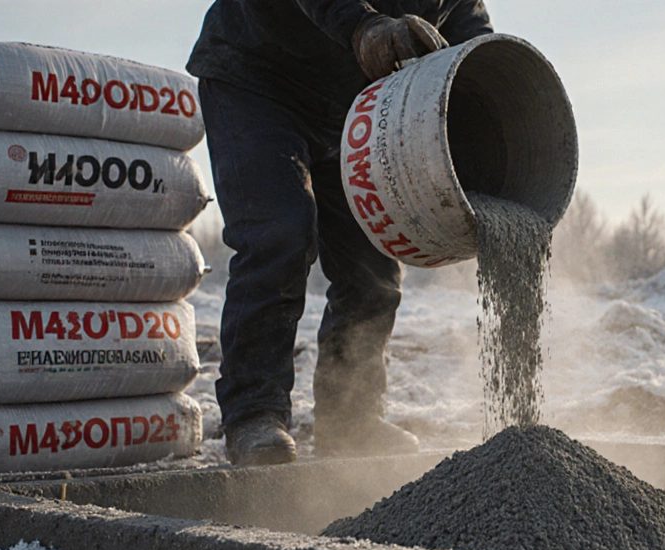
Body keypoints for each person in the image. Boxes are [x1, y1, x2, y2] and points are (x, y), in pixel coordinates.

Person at [187, 1, 492, 465]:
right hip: (258, 75)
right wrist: (361, 23)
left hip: (357, 101)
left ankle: (351, 419)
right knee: (279, 234)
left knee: (372, 259)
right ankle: (254, 414)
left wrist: (487, 78)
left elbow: (468, 25)